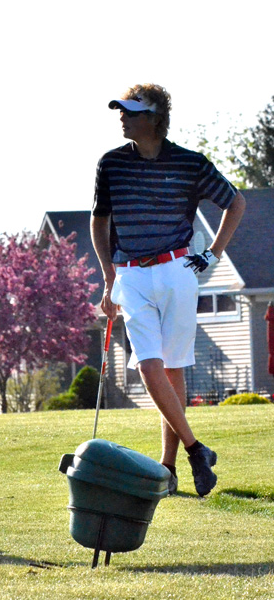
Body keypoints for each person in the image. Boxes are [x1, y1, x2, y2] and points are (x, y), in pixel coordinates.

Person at [91, 83, 246, 497]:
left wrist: (212, 254)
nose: (121, 116)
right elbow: (98, 221)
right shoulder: (111, 164)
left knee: (172, 369)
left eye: (129, 110)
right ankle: (197, 450)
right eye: (120, 110)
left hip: (178, 269)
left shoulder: (190, 163)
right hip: (132, 276)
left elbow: (236, 203)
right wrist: (109, 278)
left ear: (154, 117)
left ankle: (169, 468)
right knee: (148, 366)